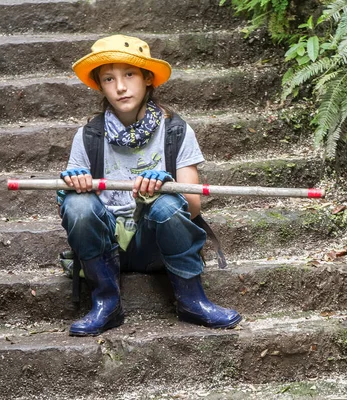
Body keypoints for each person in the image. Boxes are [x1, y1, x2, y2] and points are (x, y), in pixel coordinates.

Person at [57, 34, 241, 336]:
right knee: (76, 203)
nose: (120, 86)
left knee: (167, 203)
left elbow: (193, 207)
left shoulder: (176, 131)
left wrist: (164, 187)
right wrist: (74, 185)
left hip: (155, 244)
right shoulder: (88, 136)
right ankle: (106, 302)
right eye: (108, 78)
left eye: (129, 74)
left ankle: (192, 300)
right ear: (101, 86)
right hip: (108, 244)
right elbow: (75, 211)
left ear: (147, 79)